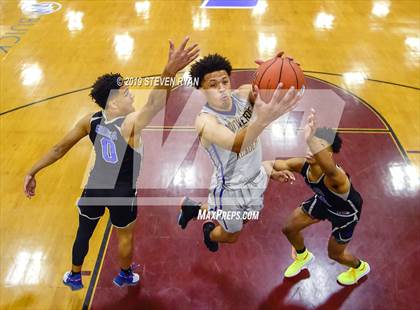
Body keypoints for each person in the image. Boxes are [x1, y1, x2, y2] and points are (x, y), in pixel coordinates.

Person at [23, 37, 199, 290]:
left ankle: (73, 275)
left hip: (94, 187)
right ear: (114, 102)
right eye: (126, 93)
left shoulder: (90, 120)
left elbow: (58, 149)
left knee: (84, 231)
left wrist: (32, 171)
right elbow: (155, 102)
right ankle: (125, 274)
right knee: (125, 235)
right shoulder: (130, 124)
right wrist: (168, 71)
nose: (131, 96)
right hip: (121, 192)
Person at [178, 53, 301, 252]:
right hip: (230, 190)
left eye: (225, 81)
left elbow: (265, 96)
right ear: (200, 89)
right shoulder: (205, 121)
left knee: (243, 218)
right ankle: (209, 232)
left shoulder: (243, 94)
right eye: (212, 84)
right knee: (232, 235)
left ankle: (192, 208)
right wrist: (263, 119)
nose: (221, 88)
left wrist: (275, 74)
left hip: (255, 178)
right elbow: (236, 144)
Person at [266, 109, 370, 285]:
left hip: (344, 214)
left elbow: (328, 168)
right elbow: (268, 163)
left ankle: (360, 268)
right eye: (311, 145)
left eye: (319, 148)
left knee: (335, 255)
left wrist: (310, 138)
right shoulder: (302, 164)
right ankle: (303, 257)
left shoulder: (336, 177)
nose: (311, 150)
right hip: (323, 201)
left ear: (328, 155)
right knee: (289, 228)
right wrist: (272, 173)